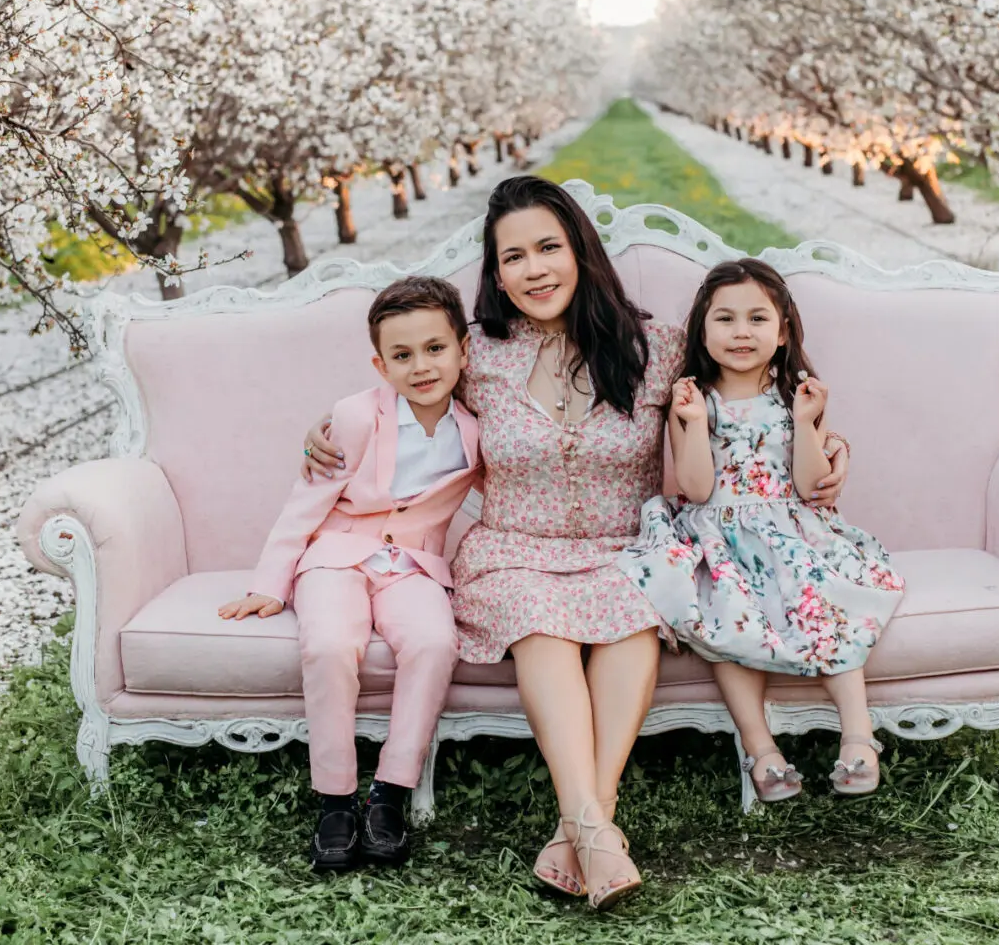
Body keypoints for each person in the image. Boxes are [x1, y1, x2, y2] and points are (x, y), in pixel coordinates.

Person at [300, 178, 856, 909]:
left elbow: (740, 392)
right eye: (513, 257)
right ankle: (595, 826)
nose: (534, 270)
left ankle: (581, 828)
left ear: (580, 250)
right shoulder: (480, 356)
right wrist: (327, 427)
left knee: (632, 619)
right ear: (495, 274)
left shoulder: (654, 348)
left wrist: (821, 436)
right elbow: (404, 383)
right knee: (544, 627)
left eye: (547, 248)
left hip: (626, 543)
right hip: (514, 549)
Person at [220, 276, 480, 871]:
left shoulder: (477, 425)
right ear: (379, 363)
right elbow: (305, 501)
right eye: (402, 355)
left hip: (413, 564)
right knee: (332, 644)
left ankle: (390, 791)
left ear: (463, 350)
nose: (421, 366)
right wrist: (268, 583)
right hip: (336, 555)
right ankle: (335, 798)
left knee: (435, 642)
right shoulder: (357, 417)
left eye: (435, 349)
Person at [626, 258, 905, 802]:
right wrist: (696, 424)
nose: (741, 332)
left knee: (823, 602)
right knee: (724, 620)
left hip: (788, 527)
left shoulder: (795, 397)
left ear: (782, 334)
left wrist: (807, 424)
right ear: (703, 333)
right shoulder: (693, 399)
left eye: (757, 319)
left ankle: (858, 735)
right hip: (718, 533)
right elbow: (697, 488)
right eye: (724, 319)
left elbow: (808, 484)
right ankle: (762, 750)